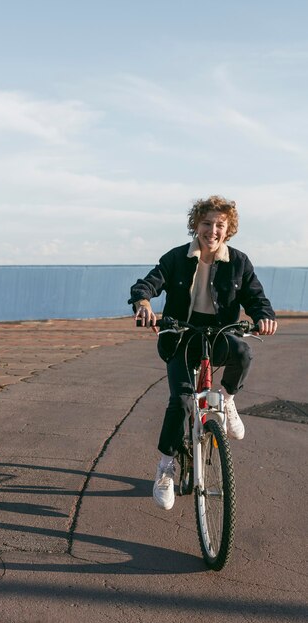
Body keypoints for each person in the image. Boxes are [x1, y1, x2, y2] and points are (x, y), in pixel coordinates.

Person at [128, 195, 277, 511]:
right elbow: (148, 284)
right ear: (195, 225)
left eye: (220, 225)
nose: (213, 230)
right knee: (181, 400)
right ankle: (166, 467)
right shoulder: (177, 258)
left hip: (220, 334)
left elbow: (256, 299)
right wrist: (143, 305)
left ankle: (228, 400)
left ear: (228, 229)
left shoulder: (238, 261)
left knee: (244, 354)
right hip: (181, 336)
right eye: (207, 223)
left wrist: (264, 317)